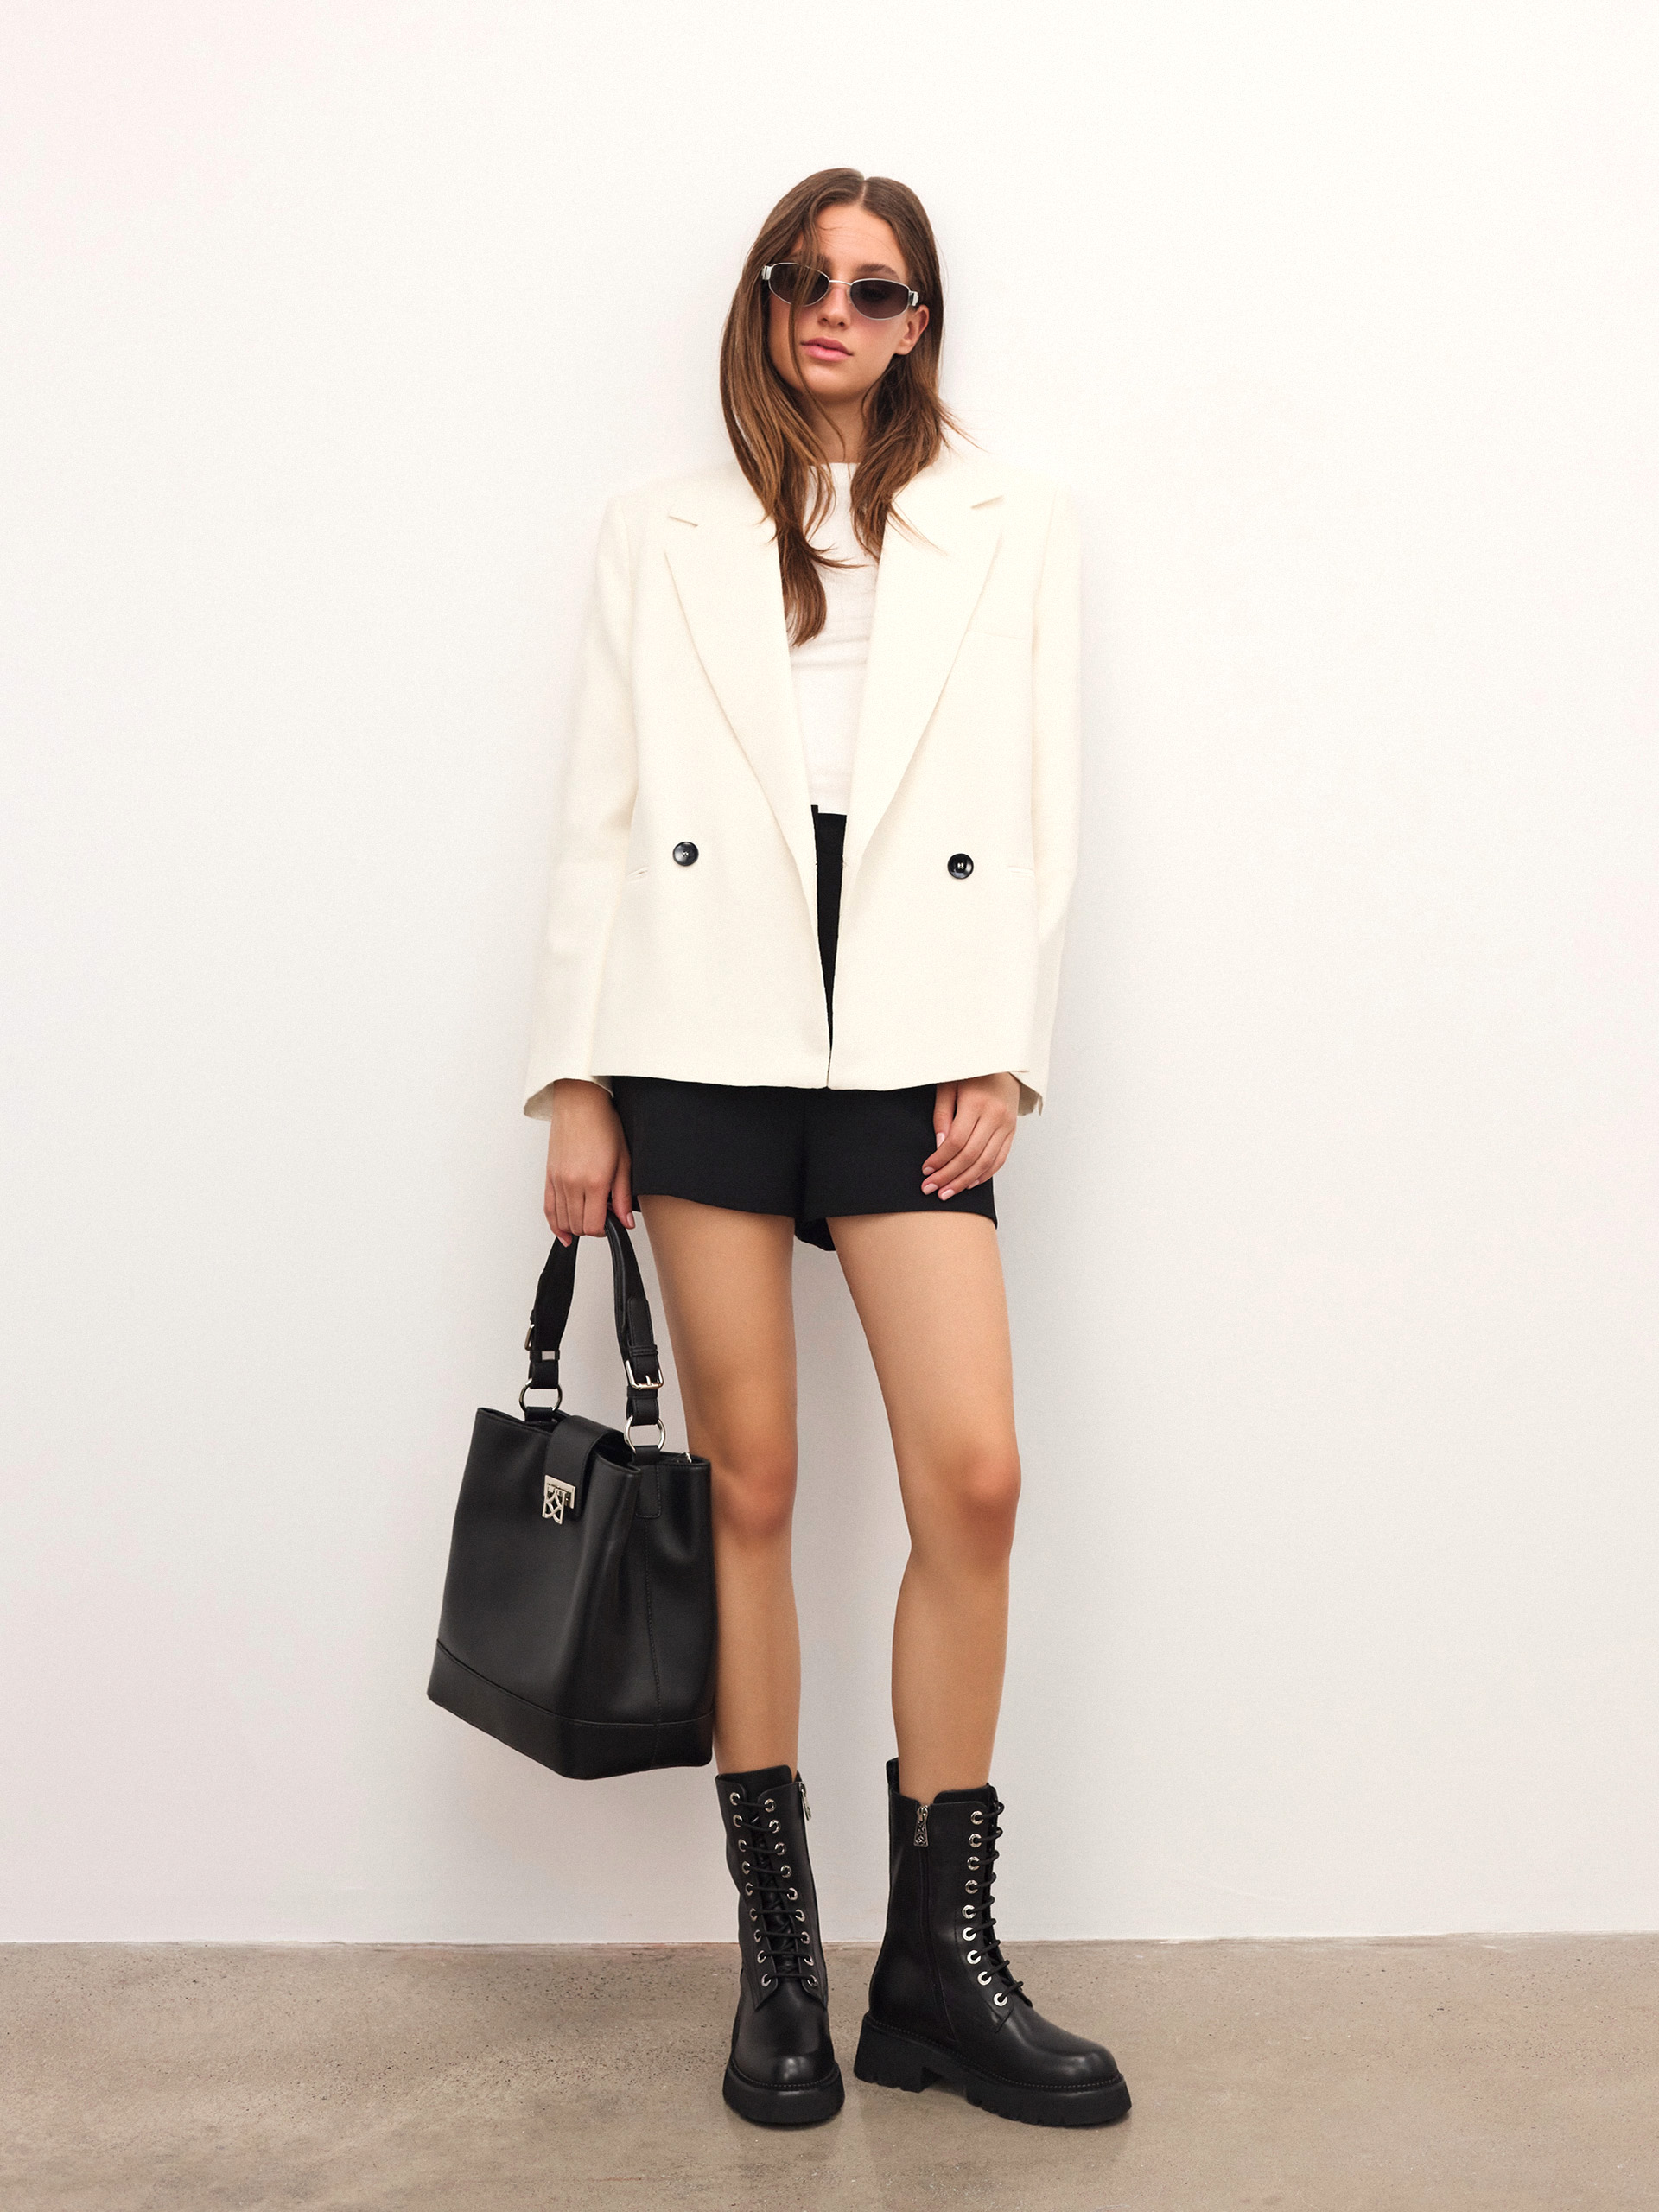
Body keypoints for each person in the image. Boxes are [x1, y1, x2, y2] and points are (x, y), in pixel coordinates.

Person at [523, 167, 1128, 2132]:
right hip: (705, 1017)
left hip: (913, 1033)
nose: (835, 312)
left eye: (876, 288)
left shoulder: (1011, 523)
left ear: (921, 319)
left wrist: (1003, 1053)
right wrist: (579, 1082)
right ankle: (780, 1965)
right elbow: (604, 813)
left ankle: (938, 1966)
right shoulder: (663, 529)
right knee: (754, 1483)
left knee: (976, 1475)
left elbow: (1037, 811)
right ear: (767, 299)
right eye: (805, 278)